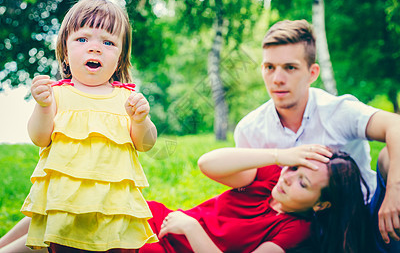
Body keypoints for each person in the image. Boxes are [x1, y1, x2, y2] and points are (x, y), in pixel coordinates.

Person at [1, 147, 374, 253]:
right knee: (65, 203)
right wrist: (282, 157)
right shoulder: (270, 178)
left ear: (321, 204)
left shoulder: (296, 229)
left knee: (69, 231)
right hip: (159, 222)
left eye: (303, 183)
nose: (288, 180)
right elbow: (207, 163)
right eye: (293, 170)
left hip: (169, 246)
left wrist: (192, 228)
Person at [234, 19, 400, 252]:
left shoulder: (338, 111)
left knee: (389, 158)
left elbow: (396, 125)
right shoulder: (250, 130)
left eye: (290, 68)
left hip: (367, 217)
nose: (277, 79)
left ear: (312, 73)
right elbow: (246, 195)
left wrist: (395, 191)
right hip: (299, 230)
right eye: (269, 67)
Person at [19, 0, 158, 251]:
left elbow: (146, 144)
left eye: (108, 42)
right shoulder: (57, 95)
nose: (95, 48)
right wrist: (43, 106)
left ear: (119, 56)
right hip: (66, 210)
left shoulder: (127, 98)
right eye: (83, 39)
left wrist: (141, 120)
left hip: (116, 211)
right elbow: (39, 137)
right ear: (65, 50)